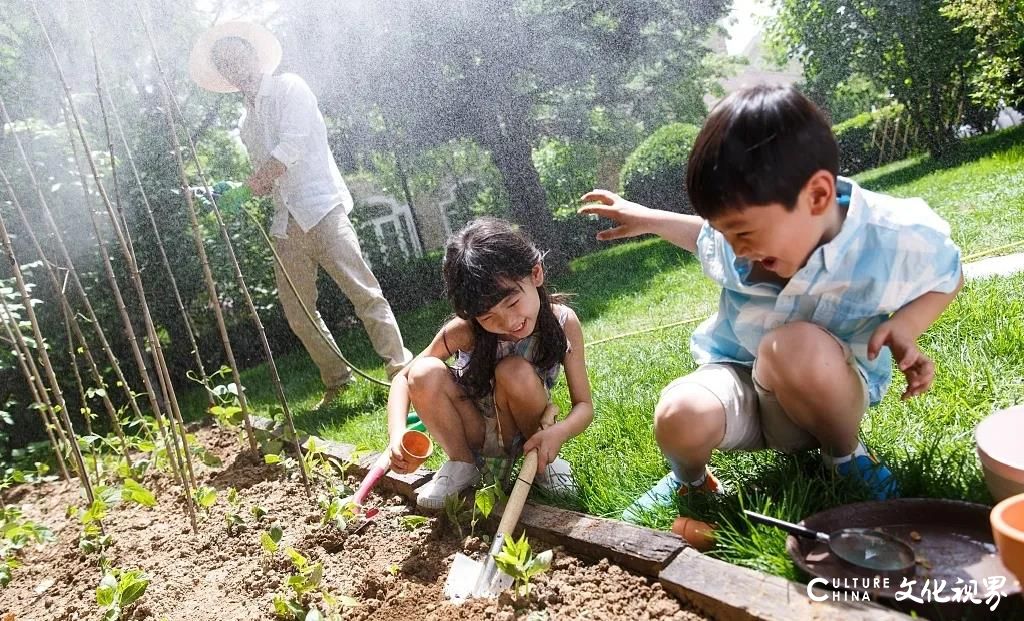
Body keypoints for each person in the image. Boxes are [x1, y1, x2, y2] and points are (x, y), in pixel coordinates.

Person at [580, 85, 963, 522]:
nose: (735, 250)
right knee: (678, 414)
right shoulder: (740, 238)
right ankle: (691, 482)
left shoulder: (891, 234)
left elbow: (948, 274)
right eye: (727, 235)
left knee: (793, 345)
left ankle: (845, 459)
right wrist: (647, 219)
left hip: (824, 398)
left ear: (817, 196)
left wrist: (909, 324)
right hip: (741, 387)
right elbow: (703, 235)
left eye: (743, 233)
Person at [188, 23, 413, 409]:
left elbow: (291, 147)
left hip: (322, 207)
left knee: (364, 293)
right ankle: (337, 380)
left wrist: (251, 184)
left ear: (253, 56)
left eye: (236, 57)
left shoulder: (290, 87)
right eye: (224, 64)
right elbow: (267, 176)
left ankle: (401, 372)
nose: (232, 67)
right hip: (286, 222)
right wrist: (237, 188)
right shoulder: (245, 124)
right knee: (297, 311)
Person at [386, 218, 594, 510]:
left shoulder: (563, 322)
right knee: (423, 371)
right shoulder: (464, 330)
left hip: (523, 429)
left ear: (536, 274)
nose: (509, 323)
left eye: (511, 303)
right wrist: (397, 434)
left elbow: (584, 405)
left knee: (514, 369)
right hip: (475, 429)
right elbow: (402, 379)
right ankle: (462, 464)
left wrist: (557, 433)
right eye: (488, 317)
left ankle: (545, 464)